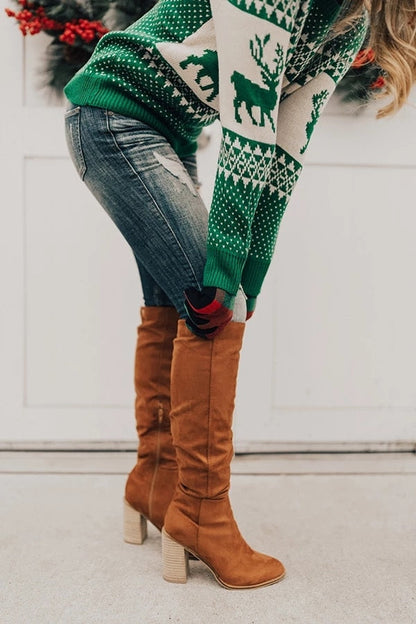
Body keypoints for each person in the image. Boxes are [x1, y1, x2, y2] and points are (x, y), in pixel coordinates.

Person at [64, 0, 416, 589]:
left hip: (166, 132)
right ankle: (201, 512)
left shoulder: (348, 20)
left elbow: (284, 151)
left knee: (186, 305)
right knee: (212, 312)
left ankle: (153, 480)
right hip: (114, 117)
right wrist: (226, 278)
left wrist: (249, 276)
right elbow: (247, 125)